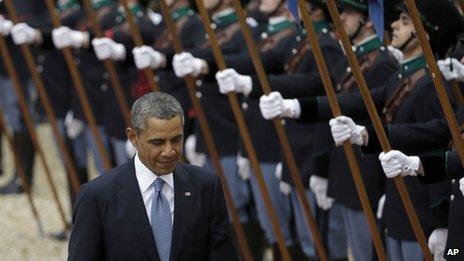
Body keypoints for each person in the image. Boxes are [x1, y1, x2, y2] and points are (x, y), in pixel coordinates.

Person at [68, 91, 237, 261]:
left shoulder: (206, 187)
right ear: (133, 137)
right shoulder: (97, 196)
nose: (169, 151)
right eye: (158, 142)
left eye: (177, 140)